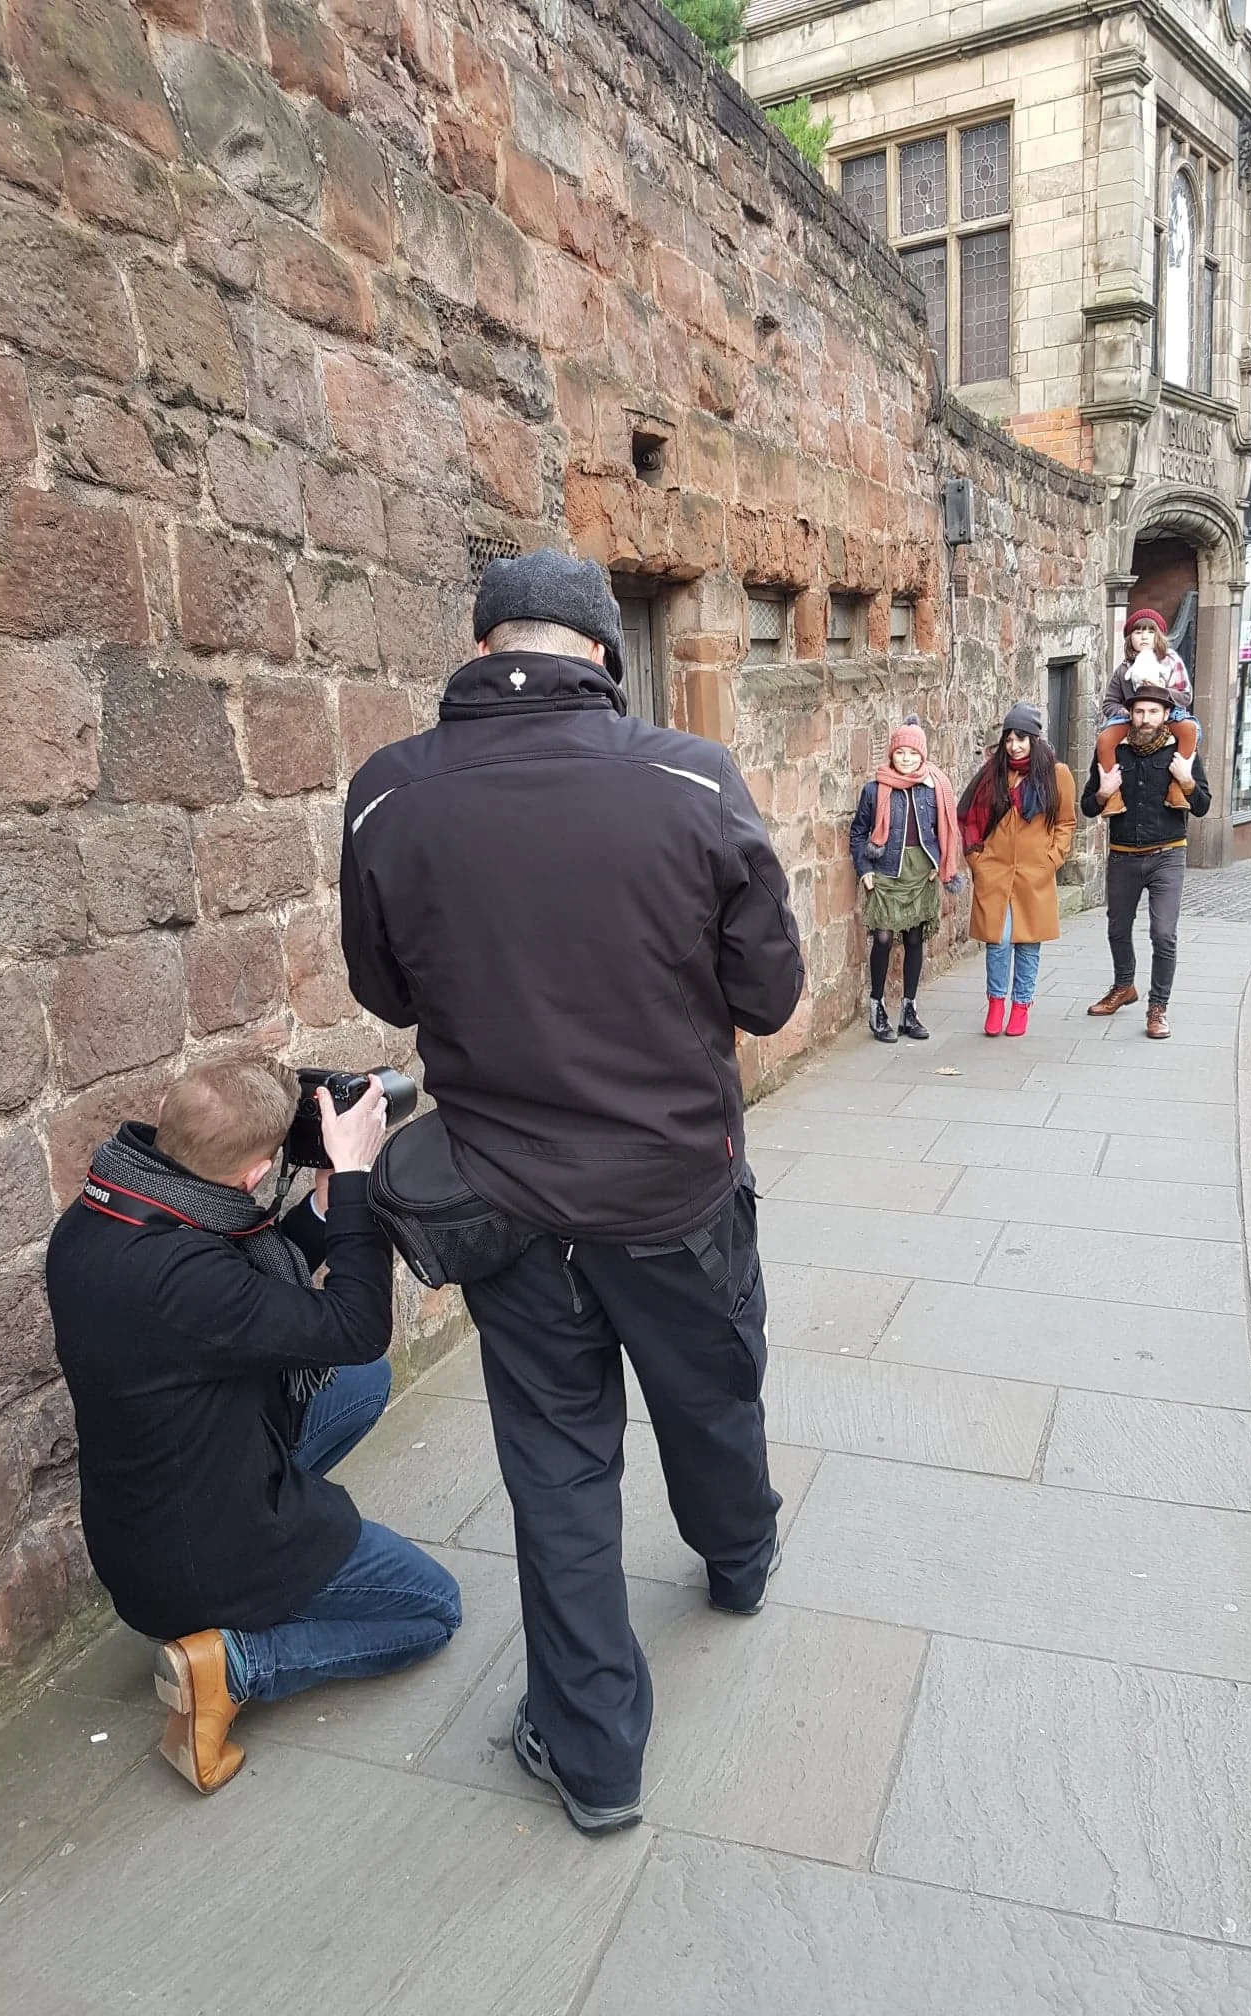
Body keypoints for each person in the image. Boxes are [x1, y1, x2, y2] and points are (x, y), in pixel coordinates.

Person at [340, 551, 804, 1836]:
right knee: (711, 1393)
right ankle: (741, 1559)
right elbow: (768, 994)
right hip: (671, 1188)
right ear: (605, 654)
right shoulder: (688, 776)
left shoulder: (390, 795)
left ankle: (595, 1757)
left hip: (507, 1201)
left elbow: (386, 990)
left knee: (555, 1468)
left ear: (484, 643)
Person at [46, 1060, 461, 1795]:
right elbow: (356, 1326)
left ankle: (289, 1539)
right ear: (255, 1174)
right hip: (199, 1560)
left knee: (362, 1388)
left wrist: (326, 1210)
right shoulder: (183, 1279)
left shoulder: (107, 1212)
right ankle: (233, 1664)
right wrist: (359, 1180)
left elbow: (245, 1287)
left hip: (146, 1514)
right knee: (431, 1609)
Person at [1081, 681, 1212, 1039]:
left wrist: (1186, 782)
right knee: (1117, 929)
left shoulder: (1182, 753)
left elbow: (1203, 806)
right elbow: (1087, 805)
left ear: (1167, 715)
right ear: (1130, 714)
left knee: (1164, 934)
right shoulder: (1112, 751)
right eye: (1139, 711)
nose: (1146, 718)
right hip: (1123, 856)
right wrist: (1105, 792)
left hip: (1168, 854)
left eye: (1153, 711)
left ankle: (1158, 1008)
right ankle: (1124, 986)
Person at [958, 701, 1077, 1037]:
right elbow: (969, 818)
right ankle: (996, 1002)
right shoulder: (993, 773)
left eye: (1021, 738)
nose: (1014, 745)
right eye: (1009, 738)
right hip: (994, 870)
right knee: (999, 940)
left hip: (1034, 872)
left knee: (1028, 943)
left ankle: (1021, 1005)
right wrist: (977, 861)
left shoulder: (1057, 775)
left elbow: (1066, 822)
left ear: (1034, 738)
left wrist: (1052, 858)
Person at [848, 718, 963, 1042]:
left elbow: (944, 828)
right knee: (883, 938)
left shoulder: (934, 786)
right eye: (901, 752)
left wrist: (938, 863)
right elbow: (858, 832)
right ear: (892, 754)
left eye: (913, 752)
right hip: (886, 869)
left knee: (915, 939)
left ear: (922, 754)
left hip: (920, 871)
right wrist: (865, 870)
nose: (907, 758)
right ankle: (878, 1007)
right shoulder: (874, 790)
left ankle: (909, 1011)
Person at [1096, 608, 1199, 816]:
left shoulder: (1171, 661)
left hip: (1168, 716)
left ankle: (1177, 787)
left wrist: (1161, 693)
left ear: (1158, 636)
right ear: (1129, 638)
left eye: (1149, 632)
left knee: (1190, 730)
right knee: (1105, 739)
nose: (1143, 636)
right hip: (1133, 720)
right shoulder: (1124, 669)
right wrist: (1124, 712)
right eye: (1137, 632)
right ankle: (1113, 796)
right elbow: (1109, 703)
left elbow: (1185, 696)